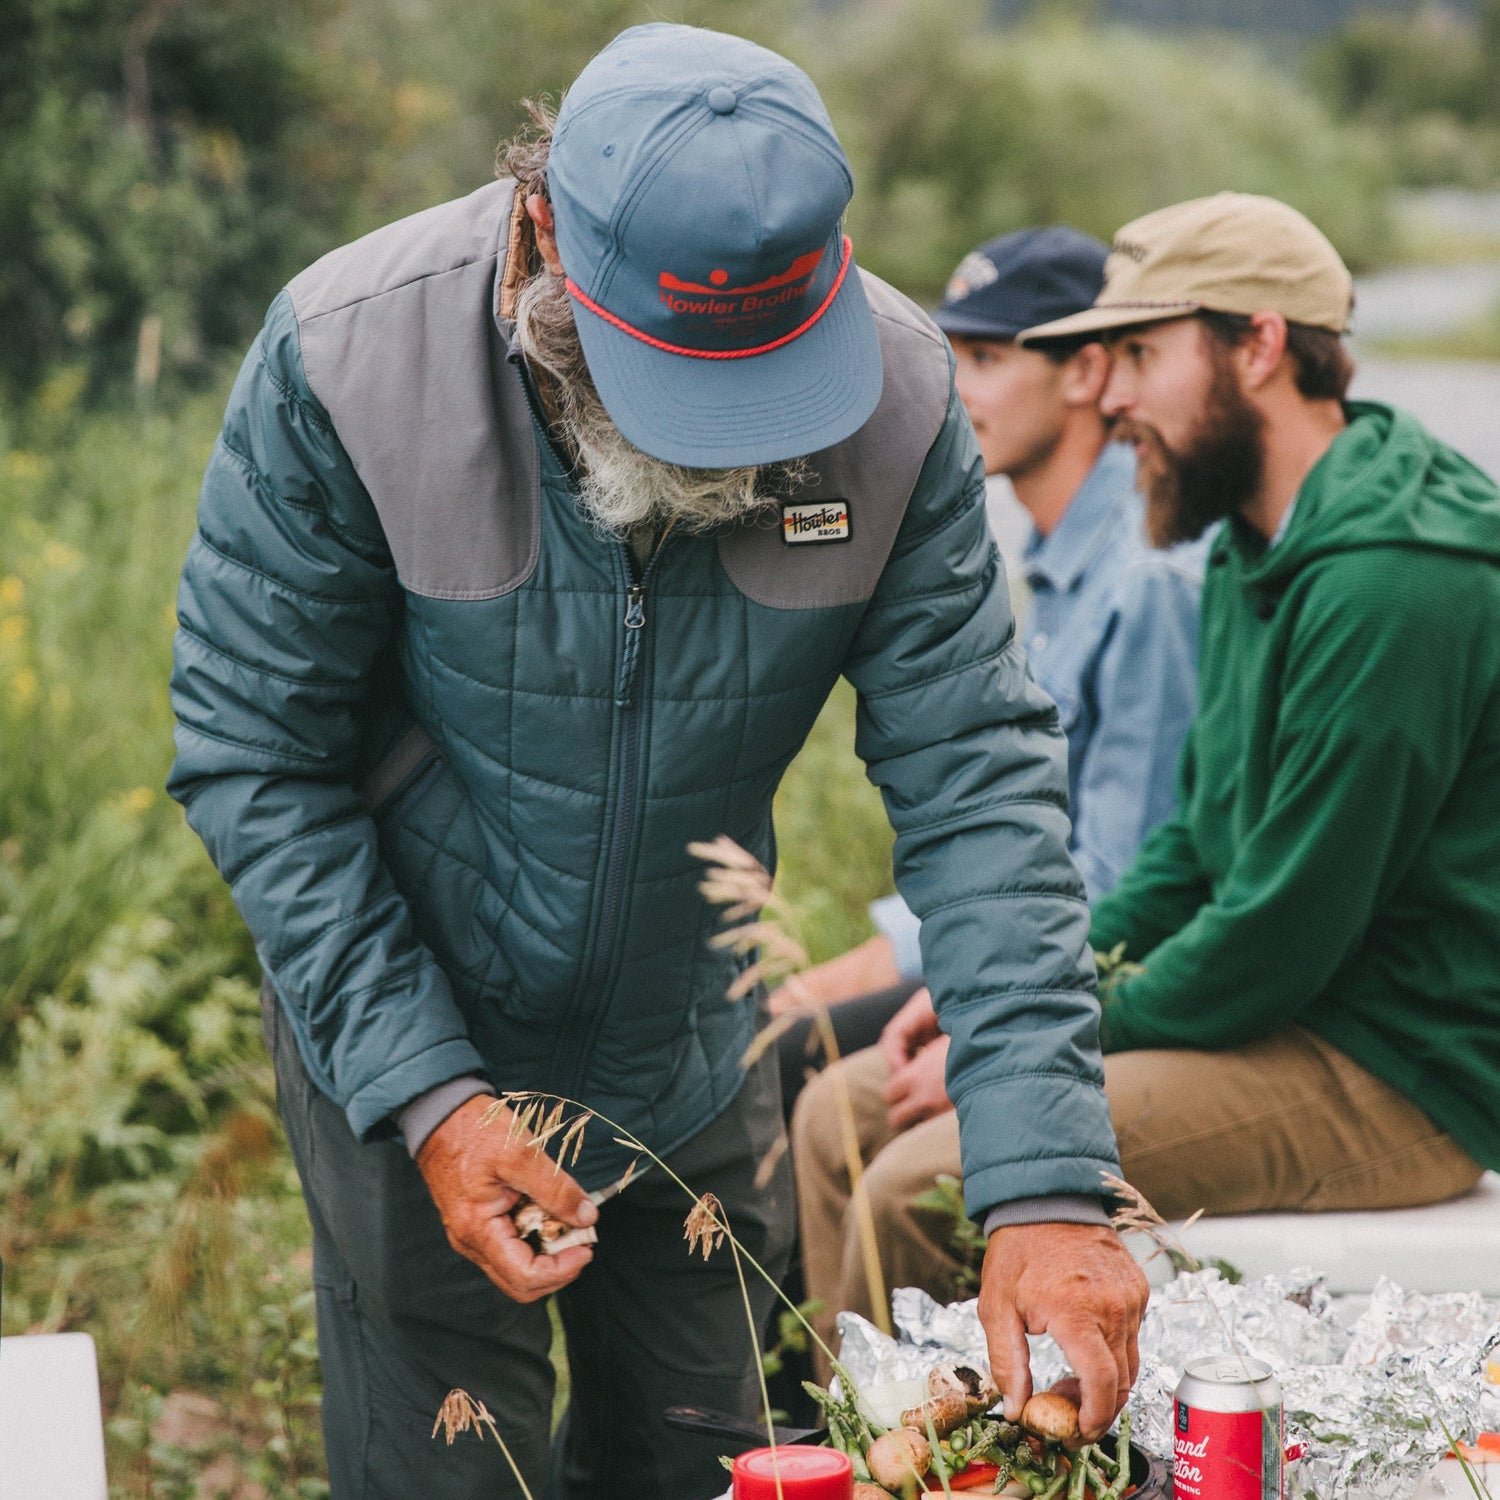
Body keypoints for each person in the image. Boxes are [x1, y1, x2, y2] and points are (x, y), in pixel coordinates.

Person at [167, 24, 1146, 1500]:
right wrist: (432, 1096)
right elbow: (254, 752)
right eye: (681, 378)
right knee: (453, 1477)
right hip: (411, 1037)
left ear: (840, 251)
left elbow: (982, 786)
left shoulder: (903, 399)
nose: (727, 444)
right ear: (545, 224)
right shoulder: (349, 357)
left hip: (690, 1062)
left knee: (717, 1470)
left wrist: (1051, 1183)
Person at [794, 191, 1500, 1342]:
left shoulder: (1392, 582)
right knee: (836, 1113)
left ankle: (944, 1464)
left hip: (1396, 1070)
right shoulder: (1257, 539)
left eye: (1138, 353)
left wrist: (1045, 1034)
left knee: (918, 1185)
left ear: (1260, 344)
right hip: (1288, 1019)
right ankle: (856, 1445)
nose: (1109, 396)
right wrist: (1018, 997)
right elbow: (1194, 839)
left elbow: (1276, 937)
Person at [772, 227, 1205, 1104]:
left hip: (1100, 969)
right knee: (769, 1034)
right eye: (947, 354)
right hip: (1025, 931)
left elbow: (1120, 878)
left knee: (790, 1067)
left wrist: (889, 960)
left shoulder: (1145, 574)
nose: (950, 389)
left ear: (1085, 374)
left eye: (986, 357)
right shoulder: (1056, 553)